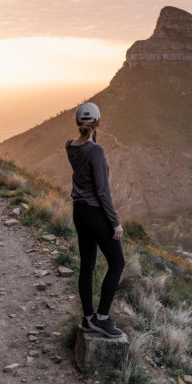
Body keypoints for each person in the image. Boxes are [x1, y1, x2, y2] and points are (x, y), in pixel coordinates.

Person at [66, 101, 125, 338]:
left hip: (79, 212)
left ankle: (88, 317)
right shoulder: (96, 151)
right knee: (118, 263)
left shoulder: (71, 146)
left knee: (87, 266)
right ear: (97, 123)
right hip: (95, 212)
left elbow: (86, 152)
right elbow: (102, 192)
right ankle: (102, 318)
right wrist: (115, 222)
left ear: (79, 123)